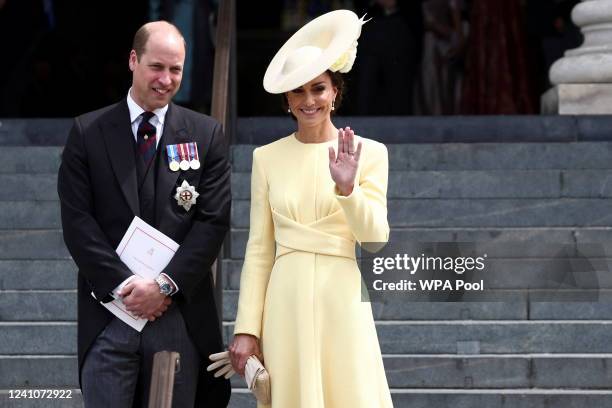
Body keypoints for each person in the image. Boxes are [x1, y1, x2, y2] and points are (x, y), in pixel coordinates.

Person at [57, 21, 231, 407]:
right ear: (133, 60)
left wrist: (163, 286)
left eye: (176, 70)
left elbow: (212, 222)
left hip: (177, 317)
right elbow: (78, 222)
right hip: (109, 315)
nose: (166, 79)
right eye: (157, 66)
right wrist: (126, 289)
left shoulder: (206, 134)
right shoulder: (88, 132)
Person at [228, 10, 393, 407]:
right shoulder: (266, 158)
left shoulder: (370, 153)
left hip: (342, 294)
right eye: (298, 92)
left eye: (318, 89)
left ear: (335, 91)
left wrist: (348, 187)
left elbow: (374, 240)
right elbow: (258, 248)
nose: (309, 100)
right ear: (287, 100)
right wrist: (247, 328)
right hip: (285, 301)